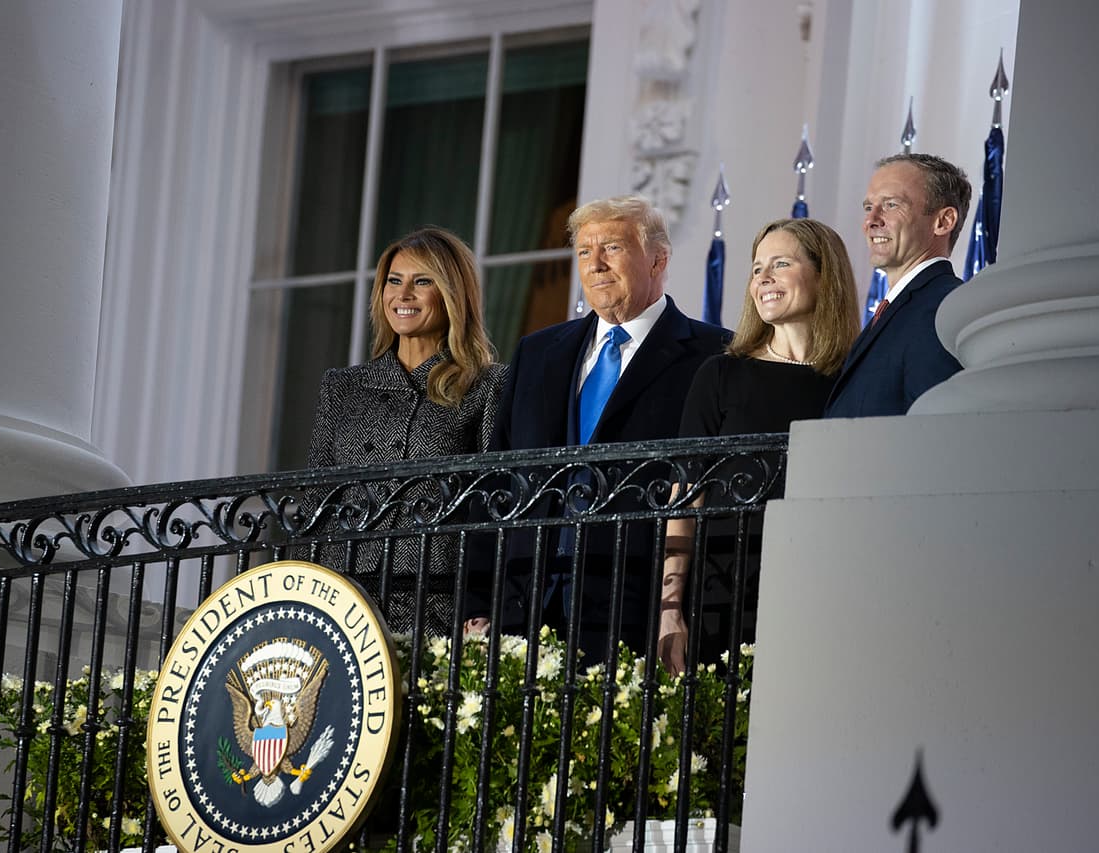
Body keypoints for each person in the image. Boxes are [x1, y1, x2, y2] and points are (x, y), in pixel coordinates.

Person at [466, 194, 729, 664]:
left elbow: (713, 490)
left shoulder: (713, 355)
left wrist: (678, 609)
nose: (595, 264)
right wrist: (479, 601)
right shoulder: (537, 353)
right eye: (585, 251)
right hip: (525, 609)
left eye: (612, 247)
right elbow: (496, 480)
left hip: (636, 613)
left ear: (658, 259)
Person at [659, 218, 860, 674]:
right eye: (756, 269)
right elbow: (685, 497)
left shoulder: (854, 379)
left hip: (823, 594)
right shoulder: (721, 374)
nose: (763, 278)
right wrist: (670, 609)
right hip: (723, 596)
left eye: (781, 264)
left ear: (823, 275)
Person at [307, 226, 506, 635]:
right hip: (344, 605)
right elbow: (316, 503)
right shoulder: (342, 387)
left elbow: (494, 505)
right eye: (394, 281)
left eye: (422, 282)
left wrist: (482, 603)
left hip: (437, 607)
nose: (404, 294)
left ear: (452, 294)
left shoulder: (487, 385)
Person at [824, 153, 971, 418]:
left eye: (891, 205)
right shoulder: (893, 313)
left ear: (943, 221)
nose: (871, 221)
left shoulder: (942, 310)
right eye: (868, 207)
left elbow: (936, 429)